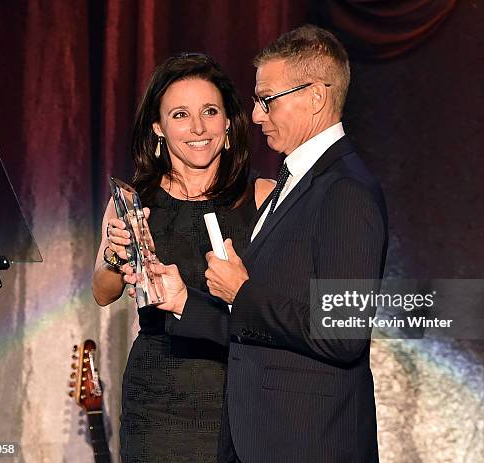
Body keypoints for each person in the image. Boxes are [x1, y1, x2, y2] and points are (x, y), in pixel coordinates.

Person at [154, 26, 388, 462]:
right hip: (258, 439)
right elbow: (258, 328)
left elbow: (343, 334)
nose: (257, 115)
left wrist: (242, 292)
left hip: (310, 442)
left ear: (315, 97)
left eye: (266, 99)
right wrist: (184, 301)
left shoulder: (345, 190)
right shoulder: (293, 181)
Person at [92, 53, 274, 462]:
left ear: (228, 123)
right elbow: (103, 293)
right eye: (180, 114)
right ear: (158, 128)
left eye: (210, 111)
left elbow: (280, 306)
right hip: (156, 402)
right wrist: (114, 256)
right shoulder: (135, 202)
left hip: (241, 396)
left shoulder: (262, 196)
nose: (197, 127)